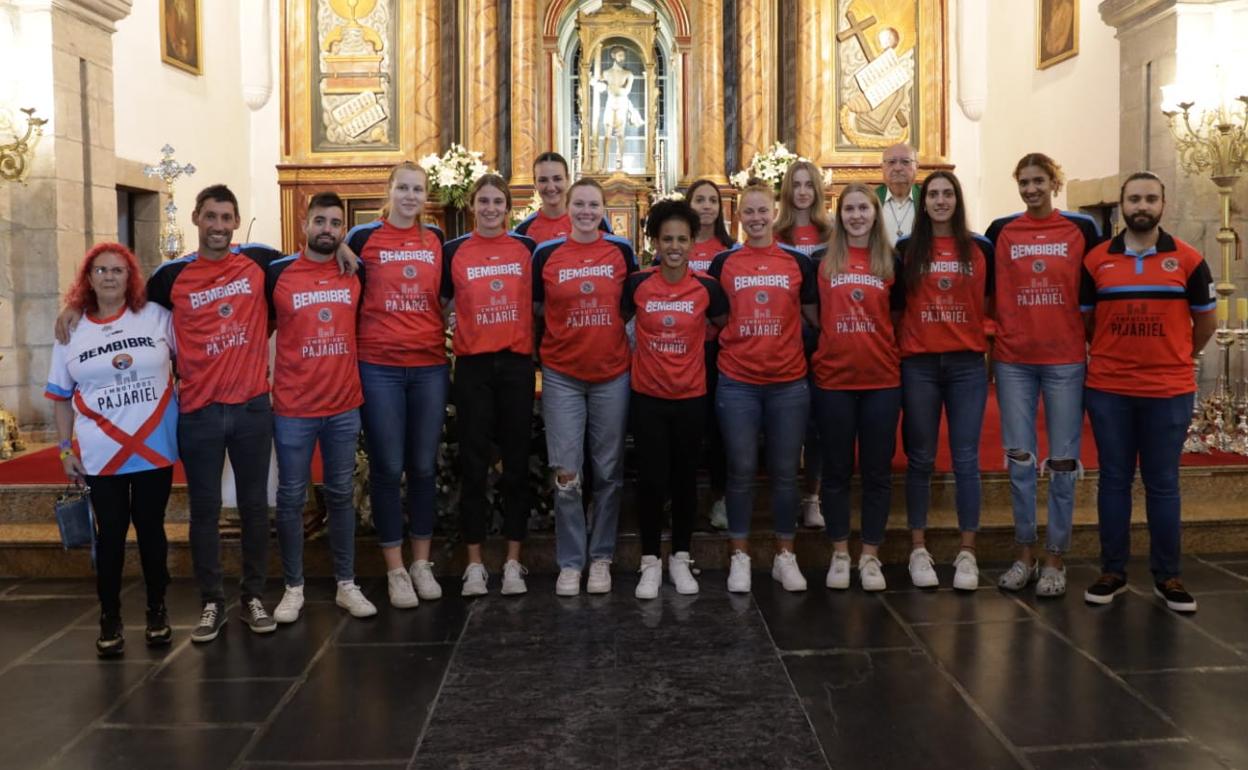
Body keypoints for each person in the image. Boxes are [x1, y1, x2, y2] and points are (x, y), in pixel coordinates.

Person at [53, 185, 355, 643]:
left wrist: (344, 244)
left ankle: (253, 596)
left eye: (226, 217)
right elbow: (122, 298)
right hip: (198, 413)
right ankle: (212, 602)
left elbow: (312, 254)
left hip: (253, 407)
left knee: (256, 508)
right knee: (205, 510)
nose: (218, 225)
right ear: (196, 218)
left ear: (236, 222)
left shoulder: (260, 261)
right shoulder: (170, 277)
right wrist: (77, 304)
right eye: (210, 216)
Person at [1080, 171, 1216, 613]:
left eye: (1150, 199)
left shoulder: (1190, 260)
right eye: (1134, 198)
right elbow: (1087, 322)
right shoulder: (1096, 260)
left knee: (1162, 483)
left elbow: (1206, 323)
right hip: (1110, 389)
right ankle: (1112, 571)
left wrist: (1176, 353)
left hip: (1168, 390)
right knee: (1114, 481)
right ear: (1121, 205)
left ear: (1163, 205)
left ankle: (1168, 576)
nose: (1142, 206)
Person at [46, 243, 178, 656]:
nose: (108, 277)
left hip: (154, 448)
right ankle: (110, 617)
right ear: (87, 279)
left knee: (153, 532)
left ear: (130, 277)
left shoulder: (157, 317)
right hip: (102, 455)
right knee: (112, 537)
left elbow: (191, 361)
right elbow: (60, 396)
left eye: (117, 270)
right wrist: (66, 450)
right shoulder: (71, 330)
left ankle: (157, 610)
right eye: (100, 270)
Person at [985, 153, 1104, 598]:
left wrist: (1084, 338)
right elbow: (990, 291)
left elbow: (1093, 291)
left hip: (1064, 360)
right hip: (1015, 359)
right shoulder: (1002, 230)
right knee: (1019, 460)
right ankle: (1024, 554)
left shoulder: (1082, 229)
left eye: (1039, 181)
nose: (1031, 189)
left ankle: (1056, 557)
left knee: (1062, 463)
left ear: (1054, 182)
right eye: (1024, 182)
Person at [266, 192, 376, 623]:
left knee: (341, 495)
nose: (327, 229)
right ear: (305, 223)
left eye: (335, 223)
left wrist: (348, 251)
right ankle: (294, 588)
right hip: (294, 406)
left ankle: (346, 584)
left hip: (344, 403)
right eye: (320, 221)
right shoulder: (276, 273)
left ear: (343, 230)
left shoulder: (355, 270)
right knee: (291, 497)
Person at [345, 161, 448, 609]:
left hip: (428, 364)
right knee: (388, 467)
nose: (410, 196)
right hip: (379, 365)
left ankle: (422, 562)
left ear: (426, 196)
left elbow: (443, 299)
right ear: (388, 191)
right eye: (403, 188)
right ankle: (395, 568)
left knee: (424, 466)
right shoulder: (363, 239)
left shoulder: (436, 240)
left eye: (418, 189)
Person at [707, 180, 817, 593]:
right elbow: (718, 318)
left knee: (787, 473)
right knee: (741, 471)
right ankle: (740, 555)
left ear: (774, 212)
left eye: (761, 210)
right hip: (738, 382)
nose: (755, 218)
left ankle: (785, 555)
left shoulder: (795, 262)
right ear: (738, 217)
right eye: (747, 212)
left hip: (788, 383)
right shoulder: (723, 264)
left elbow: (811, 317)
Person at [533, 177, 638, 596]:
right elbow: (537, 308)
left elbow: (631, 304)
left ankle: (601, 558)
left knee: (609, 471)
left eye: (594, 205)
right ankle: (571, 561)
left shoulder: (621, 251)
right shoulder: (547, 253)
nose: (586, 211)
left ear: (603, 210)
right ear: (569, 207)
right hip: (562, 374)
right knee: (567, 471)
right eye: (580, 204)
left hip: (612, 372)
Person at [622, 199, 728, 598]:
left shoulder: (707, 288)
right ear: (654, 241)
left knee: (685, 479)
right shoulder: (637, 284)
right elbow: (619, 326)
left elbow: (720, 324)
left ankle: (681, 556)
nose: (675, 246)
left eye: (682, 238)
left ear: (693, 243)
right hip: (647, 397)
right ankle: (650, 560)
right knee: (650, 480)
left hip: (690, 397)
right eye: (667, 238)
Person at [895, 171, 994, 591]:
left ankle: (967, 552)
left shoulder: (978, 248)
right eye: (932, 194)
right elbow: (897, 308)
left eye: (946, 193)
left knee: (966, 458)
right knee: (920, 458)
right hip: (919, 364)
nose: (939, 200)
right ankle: (919, 547)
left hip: (966, 364)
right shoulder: (905, 250)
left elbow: (989, 303)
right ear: (924, 202)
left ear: (957, 200)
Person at [440, 174, 538, 597]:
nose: (491, 208)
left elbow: (537, 304)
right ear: (472, 205)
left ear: (508, 208)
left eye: (498, 201)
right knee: (475, 465)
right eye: (484, 201)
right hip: (474, 367)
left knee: (516, 464)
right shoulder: (454, 252)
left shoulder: (526, 250)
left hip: (515, 364)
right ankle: (475, 563)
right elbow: (441, 302)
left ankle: (514, 561)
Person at [807, 184, 904, 592]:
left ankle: (870, 556)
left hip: (882, 380)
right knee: (836, 471)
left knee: (878, 473)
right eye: (849, 209)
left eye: (863, 208)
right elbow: (812, 312)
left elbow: (897, 316)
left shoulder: (891, 260)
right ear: (839, 214)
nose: (857, 215)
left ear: (874, 213)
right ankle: (840, 552)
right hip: (834, 381)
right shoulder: (821, 260)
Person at [775, 160, 833, 530]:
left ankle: (813, 496)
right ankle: (785, 493)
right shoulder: (776, 232)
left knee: (817, 422)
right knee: (787, 423)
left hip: (823, 335)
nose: (802, 192)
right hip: (785, 336)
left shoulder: (832, 231)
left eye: (808, 185)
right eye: (795, 185)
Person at [686, 178, 735, 530]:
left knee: (720, 428)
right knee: (688, 427)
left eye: (712, 201)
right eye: (699, 200)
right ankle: (682, 498)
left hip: (717, 349)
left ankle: (720, 497)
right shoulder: (676, 245)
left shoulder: (729, 250)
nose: (706, 206)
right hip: (680, 350)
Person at [513, 152, 611, 245]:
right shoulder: (523, 230)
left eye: (557, 179)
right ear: (535, 183)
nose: (551, 187)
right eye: (543, 180)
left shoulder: (593, 219)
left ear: (567, 179)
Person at [878, 143, 920, 246]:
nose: (897, 168)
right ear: (882, 167)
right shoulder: (871, 199)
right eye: (891, 162)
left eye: (905, 162)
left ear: (917, 167)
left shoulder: (927, 199)